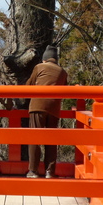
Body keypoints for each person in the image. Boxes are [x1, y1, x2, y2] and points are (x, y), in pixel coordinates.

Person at [26, 45, 68, 179]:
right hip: (54, 107)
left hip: (38, 105)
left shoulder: (39, 67)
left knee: (34, 138)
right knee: (51, 140)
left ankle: (33, 171)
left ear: (44, 59)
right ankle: (50, 171)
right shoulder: (62, 71)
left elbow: (29, 85)